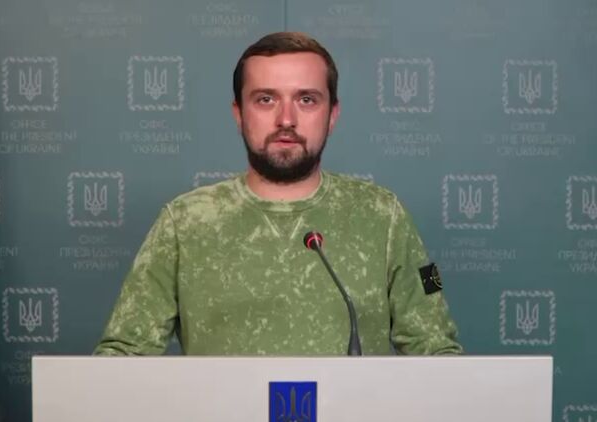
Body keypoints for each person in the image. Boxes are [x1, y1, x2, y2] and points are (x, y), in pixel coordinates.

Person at [94, 32, 462, 356]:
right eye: (266, 99)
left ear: (333, 115)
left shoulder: (386, 215)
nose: (286, 119)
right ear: (239, 114)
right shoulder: (182, 222)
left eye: (307, 100)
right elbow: (122, 357)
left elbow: (438, 347)